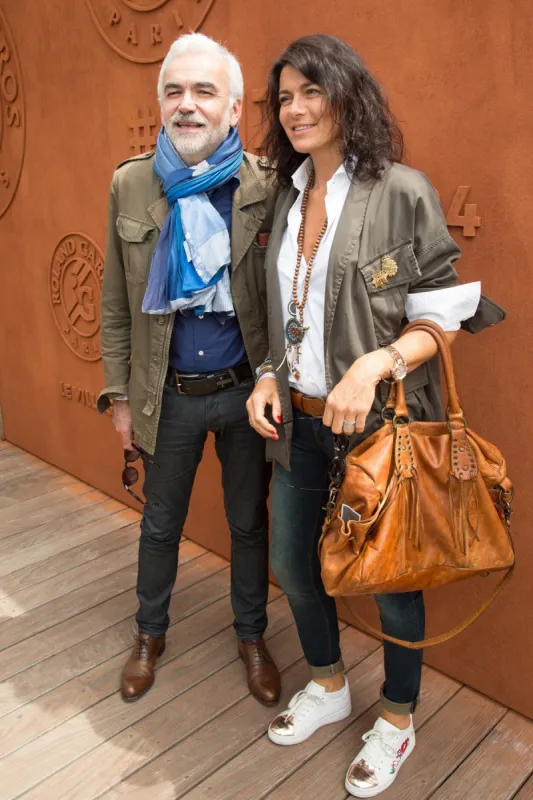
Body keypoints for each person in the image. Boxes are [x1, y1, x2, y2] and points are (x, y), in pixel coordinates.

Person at [246, 34, 502, 797]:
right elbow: (278, 312)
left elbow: (439, 315)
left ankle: (396, 717)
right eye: (283, 97)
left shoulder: (401, 190)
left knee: (393, 575)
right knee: (293, 564)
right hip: (297, 421)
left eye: (310, 91)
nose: (294, 109)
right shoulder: (285, 196)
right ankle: (329, 685)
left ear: (347, 95)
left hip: (380, 428)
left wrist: (375, 362)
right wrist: (266, 373)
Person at [97, 33, 281, 708]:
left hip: (243, 396)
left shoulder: (265, 185)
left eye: (204, 91)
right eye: (174, 90)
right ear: (160, 105)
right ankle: (149, 635)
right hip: (165, 396)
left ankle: (252, 636)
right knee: (159, 524)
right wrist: (119, 396)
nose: (187, 104)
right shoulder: (131, 182)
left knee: (247, 524)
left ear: (233, 109)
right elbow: (115, 303)